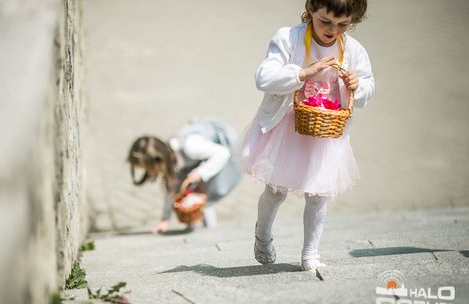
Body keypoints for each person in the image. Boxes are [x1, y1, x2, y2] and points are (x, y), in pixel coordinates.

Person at [234, 0, 374, 271]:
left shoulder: (354, 49)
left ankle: (310, 253)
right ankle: (262, 235)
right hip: (287, 128)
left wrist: (360, 85)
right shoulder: (288, 37)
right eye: (325, 21)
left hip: (325, 133)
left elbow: (368, 84)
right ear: (311, 8)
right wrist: (302, 73)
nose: (333, 30)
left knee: (319, 194)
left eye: (344, 24)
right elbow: (264, 77)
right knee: (276, 192)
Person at [127, 117, 242, 234]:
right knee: (186, 193)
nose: (151, 173)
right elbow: (169, 189)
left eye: (150, 169)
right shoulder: (170, 159)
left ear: (158, 160)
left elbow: (222, 153)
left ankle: (210, 231)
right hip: (196, 164)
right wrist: (164, 220)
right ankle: (192, 228)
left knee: (204, 199)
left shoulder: (190, 146)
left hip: (221, 152)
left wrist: (200, 172)